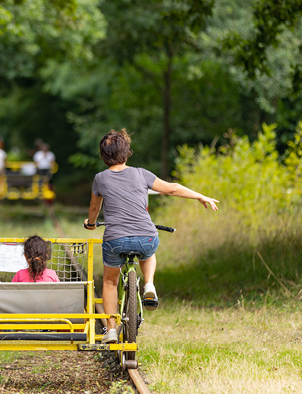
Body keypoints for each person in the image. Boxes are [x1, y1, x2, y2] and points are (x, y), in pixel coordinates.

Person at [82, 129, 218, 344]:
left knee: (109, 281)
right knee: (148, 250)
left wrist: (90, 224)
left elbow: (94, 208)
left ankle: (110, 329)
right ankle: (149, 285)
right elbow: (172, 189)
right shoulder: (141, 173)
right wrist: (200, 196)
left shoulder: (100, 179)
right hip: (146, 236)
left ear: (104, 155)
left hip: (115, 240)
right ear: (126, 153)